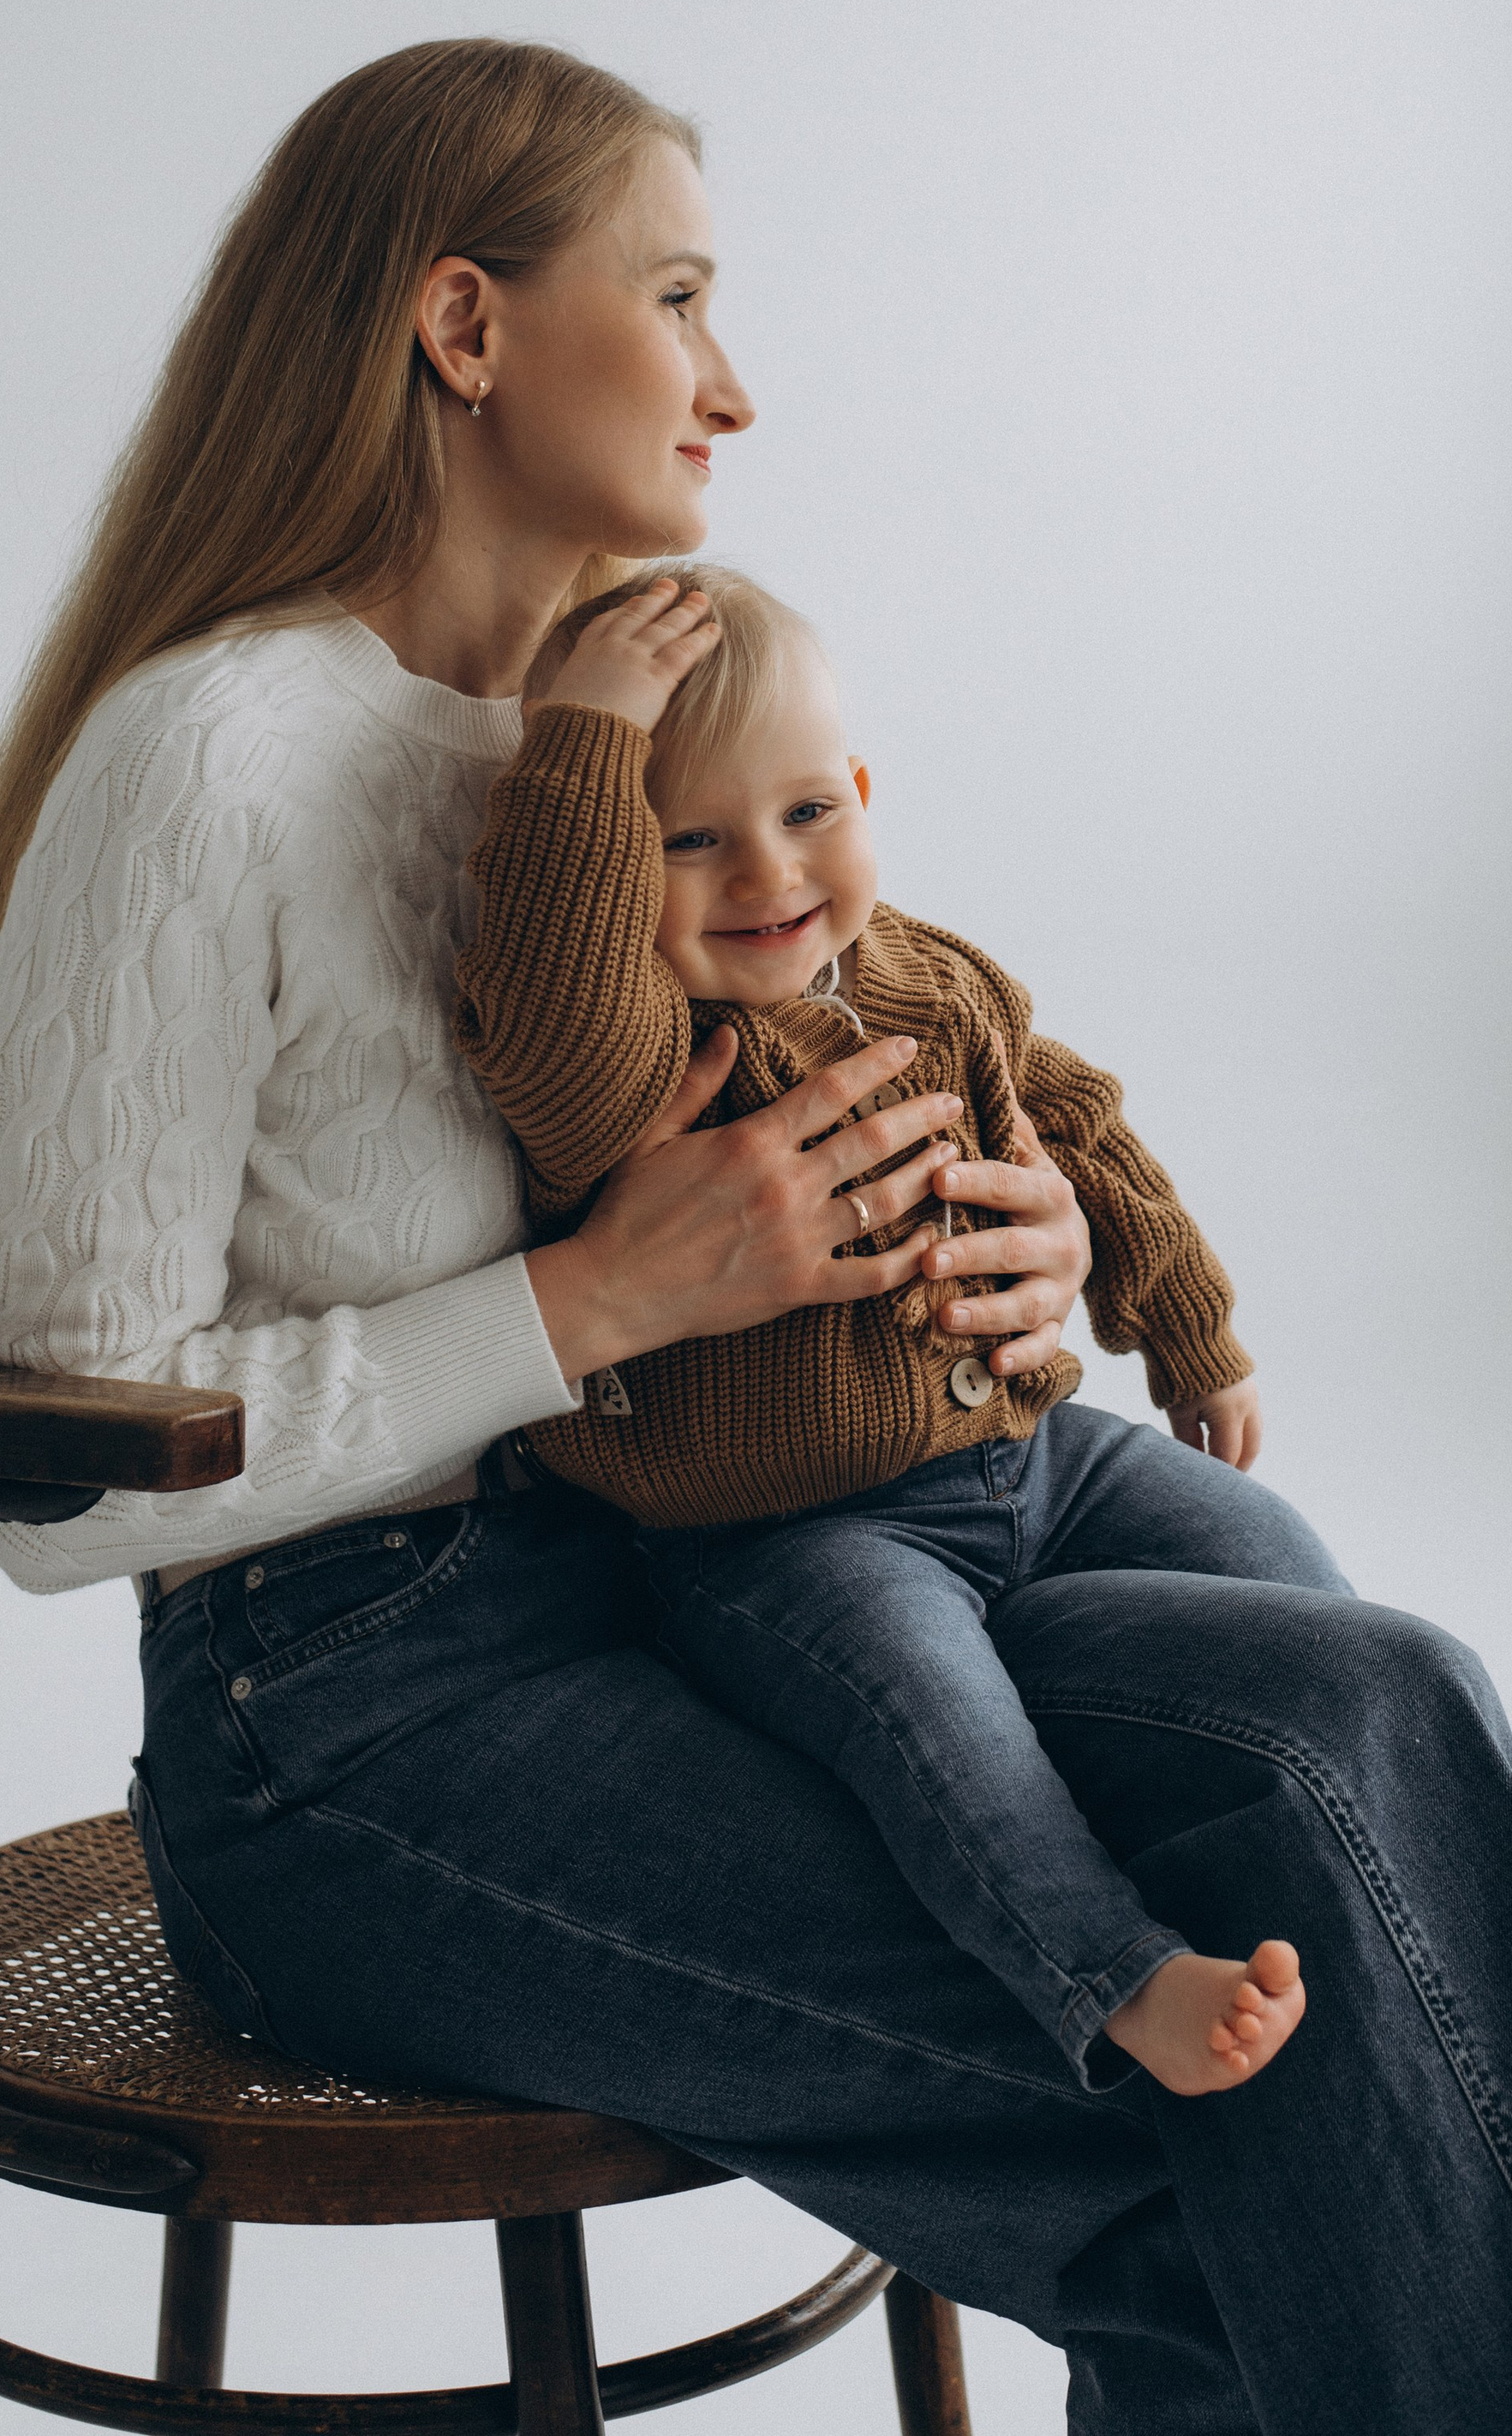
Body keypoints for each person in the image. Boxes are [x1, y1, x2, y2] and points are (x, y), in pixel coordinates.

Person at [0, 38, 1512, 2435]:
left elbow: (862, 1027)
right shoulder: (207, 758)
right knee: (1297, 2118)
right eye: (681, 296)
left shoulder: (617, 730)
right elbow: (48, 1479)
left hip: (725, 1573)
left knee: (1381, 1702)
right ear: (464, 327)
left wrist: (1012, 1249)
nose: (735, 385)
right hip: (351, 1730)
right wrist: (600, 1299)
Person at [453, 558, 1309, 2098]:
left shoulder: (935, 975)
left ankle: (1456, 1883)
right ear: (599, 871)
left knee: (1289, 1580)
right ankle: (1115, 1979)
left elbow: (1084, 1134)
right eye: (686, 840)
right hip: (787, 1542)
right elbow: (559, 1027)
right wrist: (583, 741)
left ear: (861, 786)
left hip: (1030, 1458)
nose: (765, 878)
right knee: (943, 1731)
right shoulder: (638, 1044)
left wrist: (1191, 1326)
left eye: (804, 815)